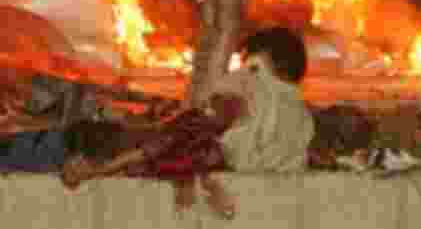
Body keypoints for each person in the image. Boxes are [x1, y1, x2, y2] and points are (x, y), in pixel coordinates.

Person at [61, 27, 315, 220]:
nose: (241, 72)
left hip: (84, 146)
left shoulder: (251, 86)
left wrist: (100, 168)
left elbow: (180, 134)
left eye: (249, 63)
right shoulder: (302, 117)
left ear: (260, 63)